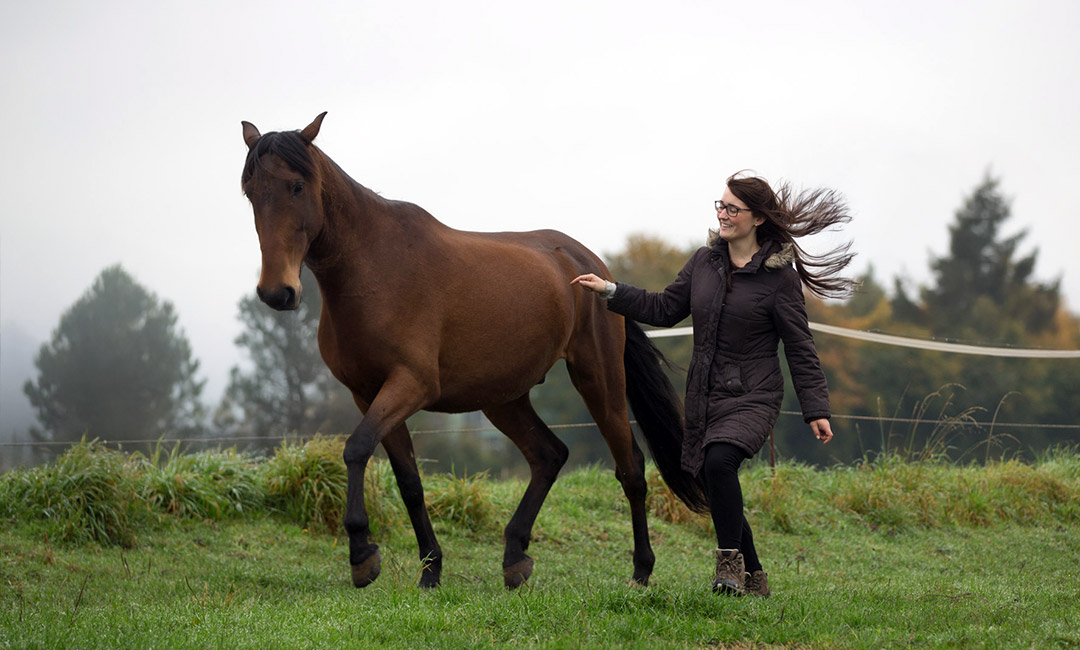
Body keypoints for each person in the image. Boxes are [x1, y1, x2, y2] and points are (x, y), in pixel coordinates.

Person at [571, 171, 856, 597]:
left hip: (754, 395)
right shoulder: (704, 263)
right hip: (705, 394)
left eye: (732, 208)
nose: (722, 214)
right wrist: (611, 291)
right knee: (710, 472)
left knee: (719, 462)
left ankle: (729, 567)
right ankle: (756, 576)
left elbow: (800, 347)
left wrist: (816, 408)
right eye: (719, 205)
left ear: (757, 218)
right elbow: (665, 307)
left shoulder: (780, 279)